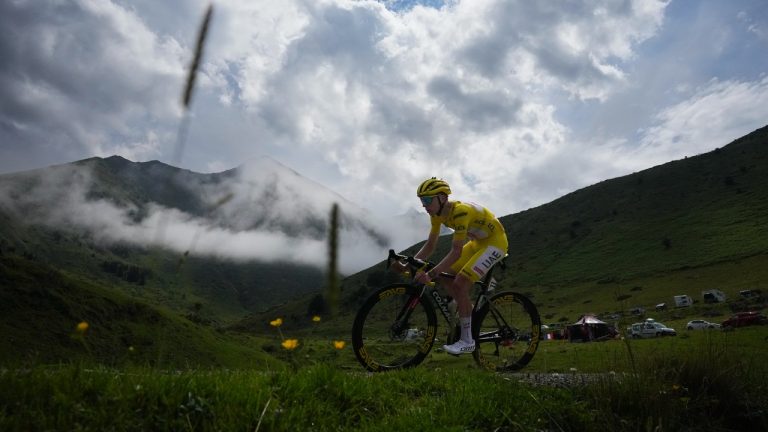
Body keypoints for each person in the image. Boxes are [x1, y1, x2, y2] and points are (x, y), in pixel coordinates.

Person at [402, 177, 508, 355]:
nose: (424, 205)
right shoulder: (436, 215)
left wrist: (431, 273)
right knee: (445, 276)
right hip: (477, 243)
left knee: (459, 283)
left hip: (495, 243)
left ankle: (467, 341)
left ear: (442, 198)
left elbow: (456, 251)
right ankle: (468, 311)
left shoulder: (460, 212)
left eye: (427, 200)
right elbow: (430, 245)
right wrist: (408, 265)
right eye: (422, 201)